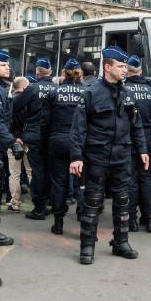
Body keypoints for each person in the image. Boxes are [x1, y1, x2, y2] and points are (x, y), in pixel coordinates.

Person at [69, 46, 148, 265]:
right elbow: (78, 129)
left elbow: (137, 125)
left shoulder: (127, 93)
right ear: (107, 67)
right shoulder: (92, 93)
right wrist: (76, 157)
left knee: (123, 200)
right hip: (97, 156)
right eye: (121, 66)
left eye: (125, 66)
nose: (125, 70)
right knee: (93, 201)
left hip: (122, 155)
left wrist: (142, 150)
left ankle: (121, 242)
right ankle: (87, 245)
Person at [124, 55, 151, 233]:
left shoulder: (123, 89)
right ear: (140, 71)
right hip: (148, 140)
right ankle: (150, 219)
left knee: (130, 180)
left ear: (127, 71)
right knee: (147, 179)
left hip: (128, 140)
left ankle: (131, 219)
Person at [45, 58, 85, 234]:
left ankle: (58, 222)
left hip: (57, 140)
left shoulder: (55, 92)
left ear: (63, 74)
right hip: (79, 143)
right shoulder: (87, 92)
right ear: (80, 74)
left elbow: (45, 121)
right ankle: (84, 219)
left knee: (59, 183)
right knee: (81, 183)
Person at [14, 58, 56, 220]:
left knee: (38, 171)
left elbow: (16, 106)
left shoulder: (33, 89)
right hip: (51, 135)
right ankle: (52, 203)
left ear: (37, 72)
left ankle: (39, 208)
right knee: (50, 170)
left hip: (34, 134)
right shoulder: (56, 88)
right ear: (50, 72)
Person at [0, 49, 25, 247]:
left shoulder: (2, 87)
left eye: (8, 64)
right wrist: (12, 143)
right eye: (3, 64)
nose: (8, 67)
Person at [7, 77, 32, 213]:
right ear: (25, 86)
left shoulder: (9, 101)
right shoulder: (29, 102)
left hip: (13, 141)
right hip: (28, 140)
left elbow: (7, 122)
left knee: (14, 174)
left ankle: (14, 203)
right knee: (31, 171)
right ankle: (37, 201)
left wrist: (15, 137)